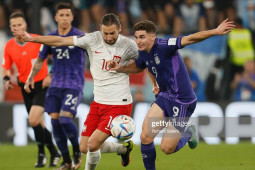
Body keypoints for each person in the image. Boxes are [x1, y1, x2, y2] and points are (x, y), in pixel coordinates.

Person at [16, 13, 138, 170]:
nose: (108, 37)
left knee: (93, 144)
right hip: (98, 102)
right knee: (84, 147)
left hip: (119, 103)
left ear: (120, 29)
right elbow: (60, 40)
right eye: (105, 33)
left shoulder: (128, 45)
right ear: (100, 30)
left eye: (112, 33)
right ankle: (123, 149)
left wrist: (122, 68)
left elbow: (141, 65)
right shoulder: (92, 39)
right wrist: (32, 38)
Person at [109, 19, 235, 170]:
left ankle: (188, 133)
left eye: (142, 37)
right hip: (164, 97)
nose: (138, 41)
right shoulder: (142, 53)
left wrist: (215, 31)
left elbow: (190, 38)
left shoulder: (165, 46)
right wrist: (119, 68)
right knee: (145, 137)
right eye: (136, 37)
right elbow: (140, 66)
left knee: (167, 148)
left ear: (153, 37)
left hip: (182, 101)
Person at [24, 3, 84, 169]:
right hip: (56, 85)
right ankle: (66, 161)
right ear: (56, 17)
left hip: (74, 84)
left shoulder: (79, 36)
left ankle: (77, 152)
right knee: (55, 123)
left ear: (72, 17)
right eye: (61, 15)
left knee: (65, 119)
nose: (64, 18)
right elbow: (40, 60)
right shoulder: (50, 37)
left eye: (67, 15)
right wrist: (30, 78)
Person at [1, 12, 60, 168]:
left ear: (25, 25)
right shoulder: (9, 46)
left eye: (20, 24)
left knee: (33, 120)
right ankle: (50, 153)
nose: (17, 28)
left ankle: (45, 153)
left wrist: (52, 74)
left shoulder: (37, 40)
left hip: (41, 86)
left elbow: (58, 57)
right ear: (11, 28)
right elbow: (5, 67)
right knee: (37, 123)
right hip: (24, 87)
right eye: (14, 26)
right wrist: (6, 79)